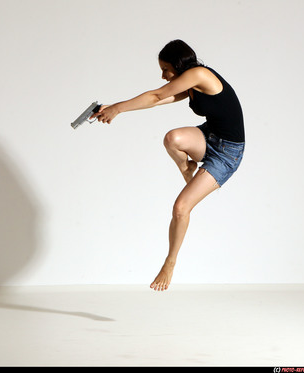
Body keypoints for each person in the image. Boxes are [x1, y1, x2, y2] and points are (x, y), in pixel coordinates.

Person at [91, 40, 245, 291]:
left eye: (166, 69)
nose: (163, 75)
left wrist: (118, 109)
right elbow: (157, 100)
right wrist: (114, 106)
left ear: (178, 65)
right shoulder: (191, 83)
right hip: (209, 138)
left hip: (228, 152)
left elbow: (157, 94)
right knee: (172, 138)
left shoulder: (199, 74)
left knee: (181, 207)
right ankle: (190, 173)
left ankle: (170, 262)